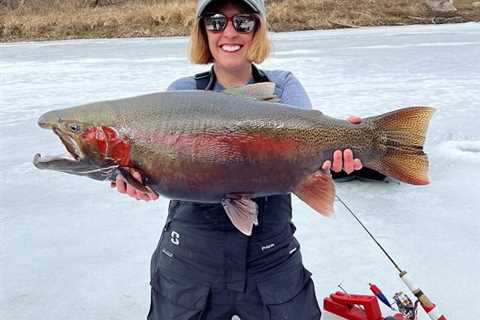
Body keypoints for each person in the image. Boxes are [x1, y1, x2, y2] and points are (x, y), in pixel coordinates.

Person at [112, 0, 364, 319]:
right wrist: (136, 180)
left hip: (271, 260)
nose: (229, 32)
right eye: (216, 22)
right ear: (202, 31)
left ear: (258, 29)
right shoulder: (181, 93)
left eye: (243, 22)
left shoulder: (283, 85)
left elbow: (309, 142)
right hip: (189, 262)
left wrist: (345, 149)